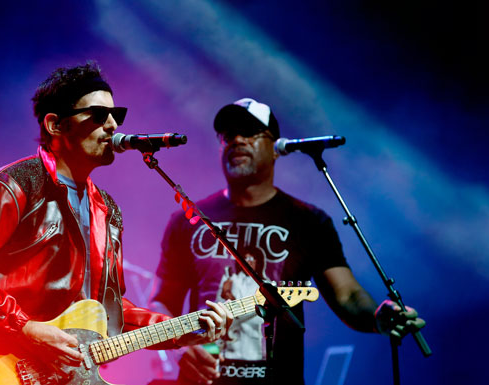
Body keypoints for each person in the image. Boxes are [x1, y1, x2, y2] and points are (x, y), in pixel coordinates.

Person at [0, 62, 232, 384]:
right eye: (99, 115)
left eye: (117, 115)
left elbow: (110, 311)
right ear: (55, 125)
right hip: (6, 366)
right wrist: (26, 328)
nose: (113, 125)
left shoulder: (107, 210)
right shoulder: (13, 185)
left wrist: (182, 331)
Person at [149, 98, 425, 385]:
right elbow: (161, 301)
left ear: (276, 147)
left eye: (250, 132)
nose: (237, 140)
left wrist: (376, 317)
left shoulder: (308, 221)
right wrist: (178, 347)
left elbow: (347, 296)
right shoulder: (188, 219)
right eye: (229, 135)